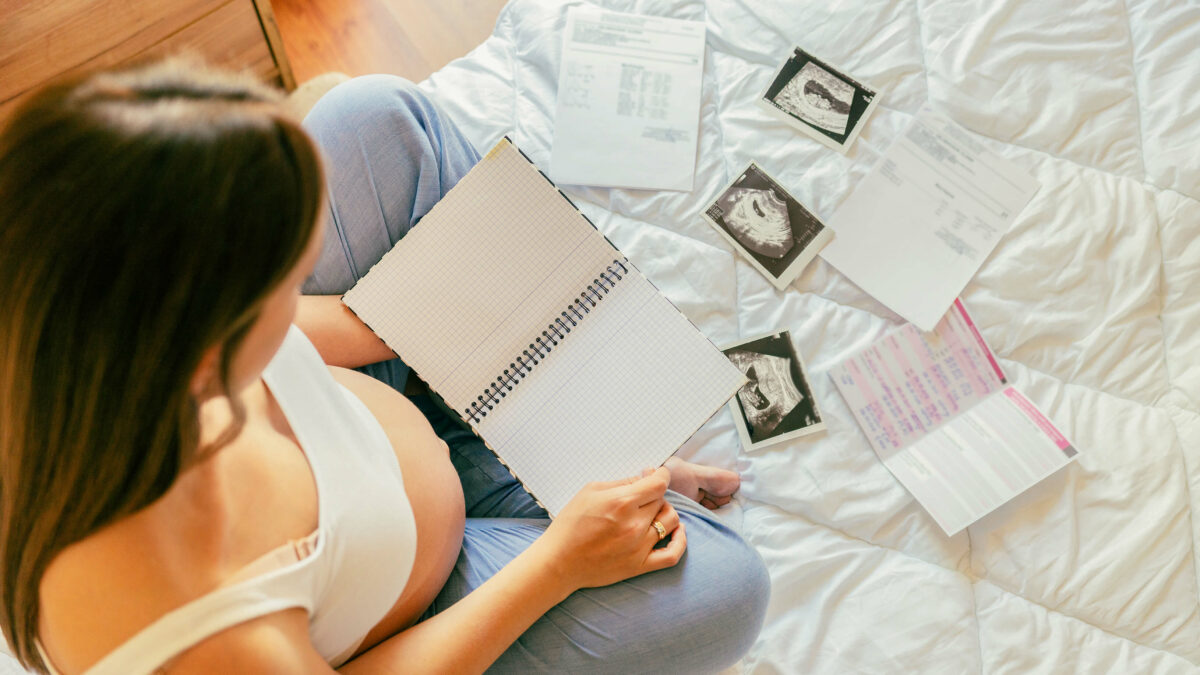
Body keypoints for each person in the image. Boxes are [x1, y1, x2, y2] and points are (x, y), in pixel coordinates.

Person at [0, 59, 769, 674]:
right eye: (283, 278)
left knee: (374, 117)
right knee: (728, 590)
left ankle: (554, 433)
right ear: (209, 348)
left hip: (391, 430)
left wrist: (427, 327)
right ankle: (547, 469)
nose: (304, 281)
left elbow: (300, 332)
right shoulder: (207, 639)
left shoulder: (71, 333)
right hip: (425, 596)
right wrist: (560, 565)